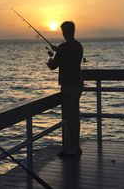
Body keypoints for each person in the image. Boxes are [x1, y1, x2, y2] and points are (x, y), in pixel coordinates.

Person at [47, 21, 83, 157]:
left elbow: (53, 66)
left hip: (68, 85)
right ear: (73, 31)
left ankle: (68, 149)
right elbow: (69, 56)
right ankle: (76, 146)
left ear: (64, 32)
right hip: (78, 83)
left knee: (67, 117)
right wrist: (58, 51)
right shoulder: (78, 45)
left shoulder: (63, 47)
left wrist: (50, 60)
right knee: (75, 115)